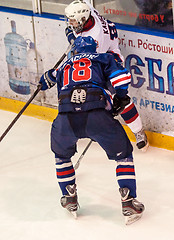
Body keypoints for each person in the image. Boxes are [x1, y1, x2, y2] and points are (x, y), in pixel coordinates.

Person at [38, 36, 145, 225]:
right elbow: (121, 79)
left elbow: (46, 79)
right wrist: (120, 97)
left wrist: (43, 82)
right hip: (97, 115)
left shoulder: (63, 66)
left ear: (75, 51)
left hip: (65, 118)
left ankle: (68, 195)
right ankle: (128, 200)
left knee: (61, 156)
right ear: (94, 48)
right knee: (124, 155)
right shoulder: (103, 58)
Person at [65, 0, 149, 151]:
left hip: (107, 63)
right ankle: (81, 129)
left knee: (120, 100)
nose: (70, 23)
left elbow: (84, 55)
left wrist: (72, 38)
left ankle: (139, 132)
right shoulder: (88, 11)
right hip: (103, 56)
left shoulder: (95, 37)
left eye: (73, 21)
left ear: (83, 20)